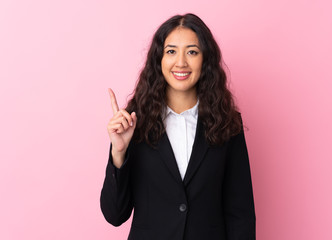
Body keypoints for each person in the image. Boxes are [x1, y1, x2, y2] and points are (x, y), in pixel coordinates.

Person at [100, 13, 256, 240]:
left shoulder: (227, 123)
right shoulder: (134, 122)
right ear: (159, 59)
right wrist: (119, 152)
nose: (181, 62)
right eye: (171, 51)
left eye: (192, 52)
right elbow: (114, 215)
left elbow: (240, 213)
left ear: (205, 60)